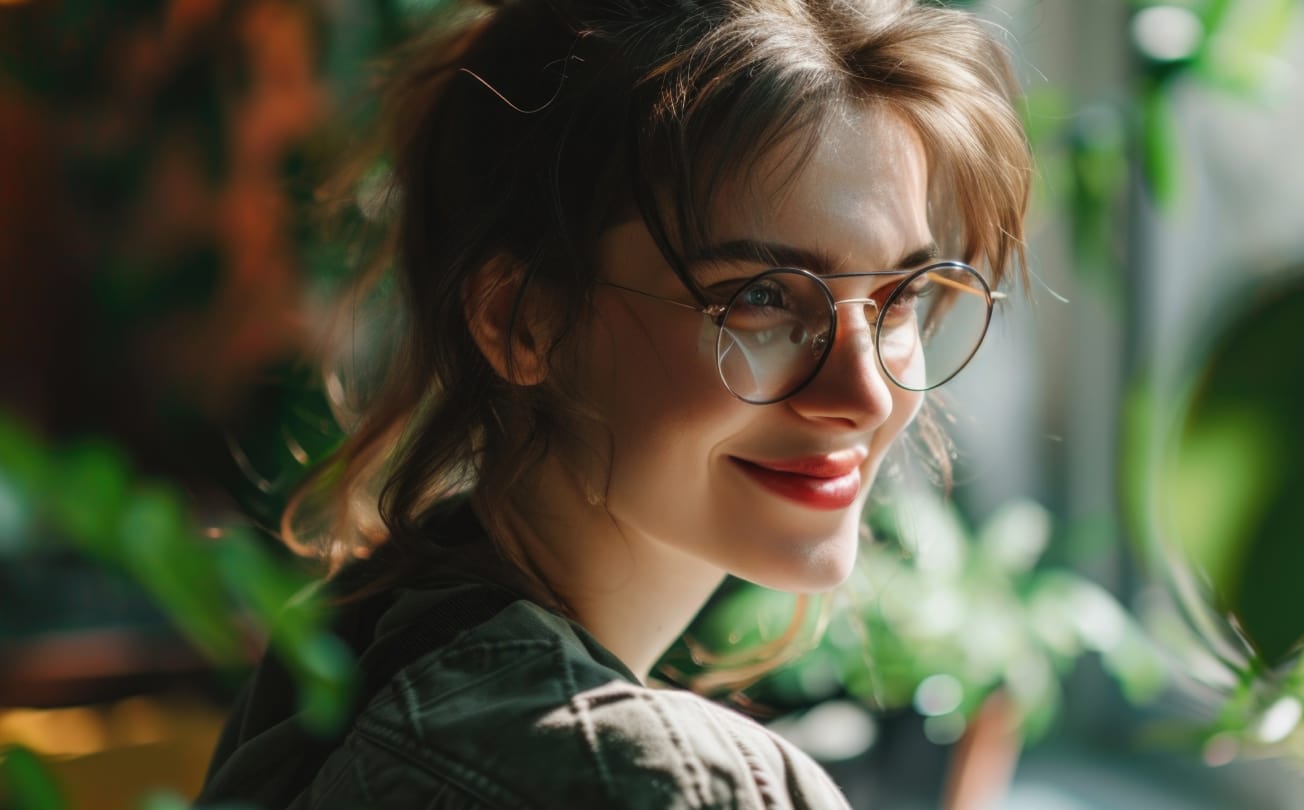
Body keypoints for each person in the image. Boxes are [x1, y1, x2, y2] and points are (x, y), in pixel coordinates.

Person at [199, 0, 1030, 806]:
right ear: (521, 320)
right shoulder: (666, 784)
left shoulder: (348, 642)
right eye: (764, 298)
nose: (864, 394)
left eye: (902, 294)